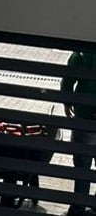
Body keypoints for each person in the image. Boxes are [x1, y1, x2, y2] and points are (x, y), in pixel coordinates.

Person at [63, 48, 96, 216]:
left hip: (84, 115)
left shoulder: (82, 52)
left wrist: (67, 102)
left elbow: (68, 79)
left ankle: (78, 209)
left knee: (82, 166)